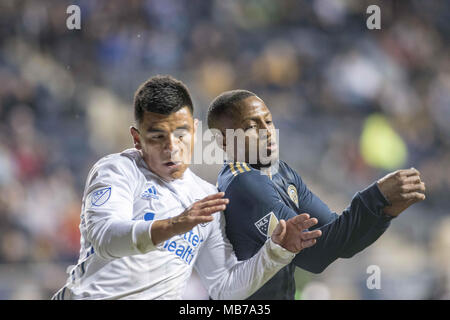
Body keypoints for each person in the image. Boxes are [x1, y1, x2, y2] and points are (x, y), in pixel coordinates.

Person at [51, 76, 322, 300]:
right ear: (136, 138)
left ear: (195, 130)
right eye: (157, 137)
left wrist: (276, 251)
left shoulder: (205, 198)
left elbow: (225, 288)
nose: (172, 148)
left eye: (181, 134)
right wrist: (174, 225)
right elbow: (106, 238)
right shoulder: (118, 170)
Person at [207, 89, 426, 300]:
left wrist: (384, 210)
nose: (267, 131)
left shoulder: (280, 172)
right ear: (224, 141)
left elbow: (338, 238)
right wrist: (375, 197)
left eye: (269, 121)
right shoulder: (243, 183)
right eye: (251, 127)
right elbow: (314, 255)